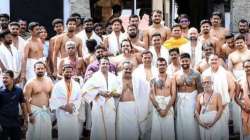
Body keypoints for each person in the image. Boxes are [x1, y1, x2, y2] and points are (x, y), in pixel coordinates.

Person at [82, 57, 119, 140]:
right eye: (103, 63)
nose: (105, 65)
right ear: (99, 65)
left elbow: (118, 90)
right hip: (99, 107)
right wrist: (99, 92)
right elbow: (84, 91)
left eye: (107, 63)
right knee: (98, 129)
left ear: (109, 65)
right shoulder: (94, 77)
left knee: (110, 128)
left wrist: (112, 93)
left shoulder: (113, 77)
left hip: (110, 107)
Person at [202, 54, 236, 140]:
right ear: (208, 61)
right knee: (212, 130)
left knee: (222, 129)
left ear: (219, 61)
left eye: (215, 59)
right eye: (212, 60)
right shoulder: (205, 73)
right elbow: (203, 89)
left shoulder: (226, 73)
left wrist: (227, 101)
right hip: (211, 106)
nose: (214, 61)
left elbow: (232, 88)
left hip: (224, 104)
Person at [174, 53, 203, 140]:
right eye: (182, 61)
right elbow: (174, 91)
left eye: (186, 61)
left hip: (192, 101)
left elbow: (200, 91)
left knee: (192, 122)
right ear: (180, 61)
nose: (184, 63)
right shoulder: (176, 74)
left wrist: (199, 106)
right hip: (180, 101)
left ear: (190, 61)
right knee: (181, 123)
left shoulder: (197, 74)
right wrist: (174, 105)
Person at [50, 64, 82, 140]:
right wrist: (64, 107)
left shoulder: (76, 84)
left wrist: (73, 106)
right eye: (67, 72)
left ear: (73, 72)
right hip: (62, 112)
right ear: (62, 72)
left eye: (70, 72)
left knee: (73, 133)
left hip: (73, 111)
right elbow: (54, 99)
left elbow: (79, 98)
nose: (69, 74)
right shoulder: (57, 85)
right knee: (63, 133)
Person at [24, 61, 53, 140]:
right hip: (34, 111)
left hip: (46, 111)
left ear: (45, 69)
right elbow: (26, 100)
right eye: (38, 68)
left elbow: (52, 96)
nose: (40, 70)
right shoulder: (30, 83)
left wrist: (51, 108)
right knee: (34, 134)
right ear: (34, 70)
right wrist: (30, 114)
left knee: (46, 134)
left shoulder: (49, 81)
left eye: (42, 68)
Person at [132, 50, 157, 139]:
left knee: (154, 122)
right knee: (143, 123)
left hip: (155, 99)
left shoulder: (156, 70)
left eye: (149, 57)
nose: (147, 59)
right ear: (142, 59)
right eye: (145, 58)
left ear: (152, 58)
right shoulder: (136, 72)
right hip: (141, 100)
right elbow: (134, 88)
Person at [150, 57, 176, 140]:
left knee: (169, 131)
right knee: (157, 132)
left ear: (166, 66)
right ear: (157, 66)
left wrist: (166, 109)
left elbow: (174, 95)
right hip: (157, 106)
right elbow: (151, 95)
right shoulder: (153, 79)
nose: (161, 66)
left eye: (163, 65)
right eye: (159, 65)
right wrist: (159, 109)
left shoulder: (172, 79)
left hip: (168, 106)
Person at [0, 70, 27, 140]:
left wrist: (25, 120)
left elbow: (23, 104)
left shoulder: (19, 90)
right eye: (3, 78)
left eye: (6, 78)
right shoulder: (0, 91)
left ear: (12, 78)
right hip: (3, 123)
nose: (4, 80)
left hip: (15, 123)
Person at [116, 61, 140, 140]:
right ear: (122, 69)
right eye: (126, 69)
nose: (128, 71)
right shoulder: (117, 80)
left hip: (133, 107)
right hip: (122, 107)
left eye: (130, 69)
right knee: (122, 130)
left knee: (134, 128)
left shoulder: (136, 80)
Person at [195, 76, 223, 140]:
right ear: (202, 84)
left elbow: (220, 109)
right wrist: (200, 122)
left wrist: (213, 122)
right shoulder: (199, 96)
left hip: (214, 121)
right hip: (203, 122)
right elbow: (196, 111)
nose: (206, 84)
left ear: (212, 83)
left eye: (208, 82)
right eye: (204, 83)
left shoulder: (217, 95)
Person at [235, 59, 250, 139]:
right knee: (246, 134)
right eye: (246, 67)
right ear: (243, 68)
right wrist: (243, 107)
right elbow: (236, 97)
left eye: (249, 66)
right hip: (245, 109)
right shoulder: (240, 81)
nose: (248, 68)